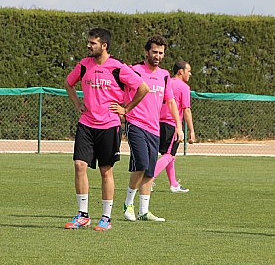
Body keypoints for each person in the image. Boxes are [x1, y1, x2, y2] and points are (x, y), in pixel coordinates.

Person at [64, 28, 149, 231]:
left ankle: (106, 217)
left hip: (109, 126)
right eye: (88, 42)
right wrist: (77, 104)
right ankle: (83, 215)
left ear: (104, 45)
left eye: (92, 43)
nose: (88, 46)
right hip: (86, 123)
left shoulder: (118, 68)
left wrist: (125, 109)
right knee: (79, 165)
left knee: (105, 171)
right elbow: (69, 83)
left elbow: (143, 88)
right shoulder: (83, 66)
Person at [119, 35, 184, 222]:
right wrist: (121, 109)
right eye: (154, 52)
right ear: (146, 52)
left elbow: (170, 101)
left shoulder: (164, 75)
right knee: (141, 163)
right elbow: (118, 87)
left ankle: (144, 211)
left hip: (154, 128)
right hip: (135, 124)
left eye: (161, 53)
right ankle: (128, 203)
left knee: (149, 169)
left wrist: (179, 127)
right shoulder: (134, 70)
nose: (157, 55)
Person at [153, 60, 196, 193]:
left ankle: (174, 184)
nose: (190, 74)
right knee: (169, 155)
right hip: (171, 124)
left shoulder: (166, 81)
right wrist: (191, 131)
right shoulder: (183, 87)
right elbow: (186, 110)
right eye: (188, 71)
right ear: (180, 71)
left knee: (169, 155)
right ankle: (148, 179)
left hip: (157, 122)